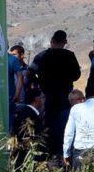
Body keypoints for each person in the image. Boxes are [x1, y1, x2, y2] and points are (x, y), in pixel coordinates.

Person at [33, 30, 82, 162]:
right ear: (65, 42)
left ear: (52, 40)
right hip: (65, 98)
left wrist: (40, 82)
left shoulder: (42, 56)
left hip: (47, 97)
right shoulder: (70, 56)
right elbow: (77, 75)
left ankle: (45, 156)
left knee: (45, 127)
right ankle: (62, 155)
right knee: (65, 127)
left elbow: (30, 73)